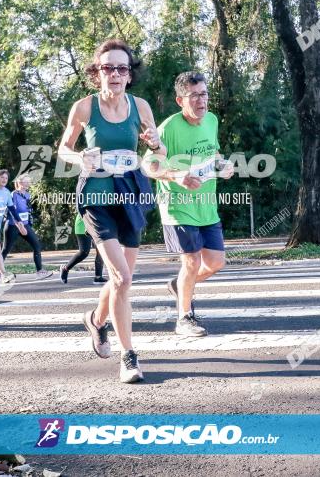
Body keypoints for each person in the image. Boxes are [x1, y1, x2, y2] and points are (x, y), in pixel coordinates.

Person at [58, 38, 162, 383]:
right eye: (108, 67)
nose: (115, 74)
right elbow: (64, 149)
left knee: (122, 280)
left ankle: (95, 319)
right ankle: (128, 356)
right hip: (96, 197)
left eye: (122, 68)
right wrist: (78, 157)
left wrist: (156, 146)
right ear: (97, 73)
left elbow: (156, 156)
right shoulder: (84, 108)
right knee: (123, 277)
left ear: (129, 75)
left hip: (130, 193)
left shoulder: (141, 107)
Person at [146, 71, 233, 336]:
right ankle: (184, 318)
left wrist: (224, 165)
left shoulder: (212, 121)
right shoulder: (167, 129)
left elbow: (214, 153)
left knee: (217, 262)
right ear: (180, 100)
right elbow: (149, 167)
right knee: (192, 261)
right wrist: (176, 176)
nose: (201, 100)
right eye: (194, 96)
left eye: (204, 94)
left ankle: (180, 286)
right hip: (178, 205)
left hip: (205, 205)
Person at [1, 175, 53, 279]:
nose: (28, 183)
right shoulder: (14, 195)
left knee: (37, 245)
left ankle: (40, 271)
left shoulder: (28, 195)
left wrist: (27, 223)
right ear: (20, 183)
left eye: (29, 181)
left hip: (25, 225)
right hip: (13, 225)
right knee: (6, 249)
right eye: (26, 182)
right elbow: (12, 212)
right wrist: (19, 225)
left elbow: (27, 211)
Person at [59, 214, 106, 285]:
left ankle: (98, 277)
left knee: (101, 250)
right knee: (84, 252)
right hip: (82, 225)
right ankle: (65, 268)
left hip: (97, 225)